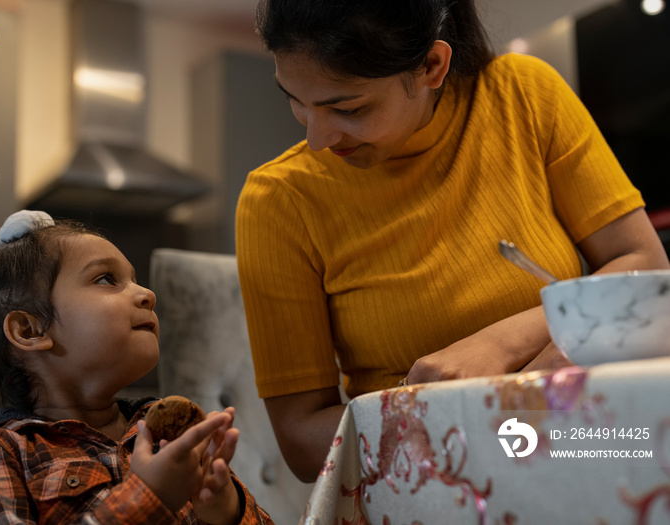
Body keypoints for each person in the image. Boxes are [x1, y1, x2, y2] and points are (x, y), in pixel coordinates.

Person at [234, 0, 670, 483]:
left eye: (348, 108)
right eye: (294, 100)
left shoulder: (523, 96)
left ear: (432, 66)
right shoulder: (277, 201)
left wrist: (501, 345)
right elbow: (301, 443)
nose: (317, 137)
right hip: (423, 489)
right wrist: (434, 406)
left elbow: (645, 265)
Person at [0, 210, 273, 525]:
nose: (148, 295)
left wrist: (224, 508)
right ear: (29, 331)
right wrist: (147, 498)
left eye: (135, 280)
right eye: (106, 279)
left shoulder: (167, 432)